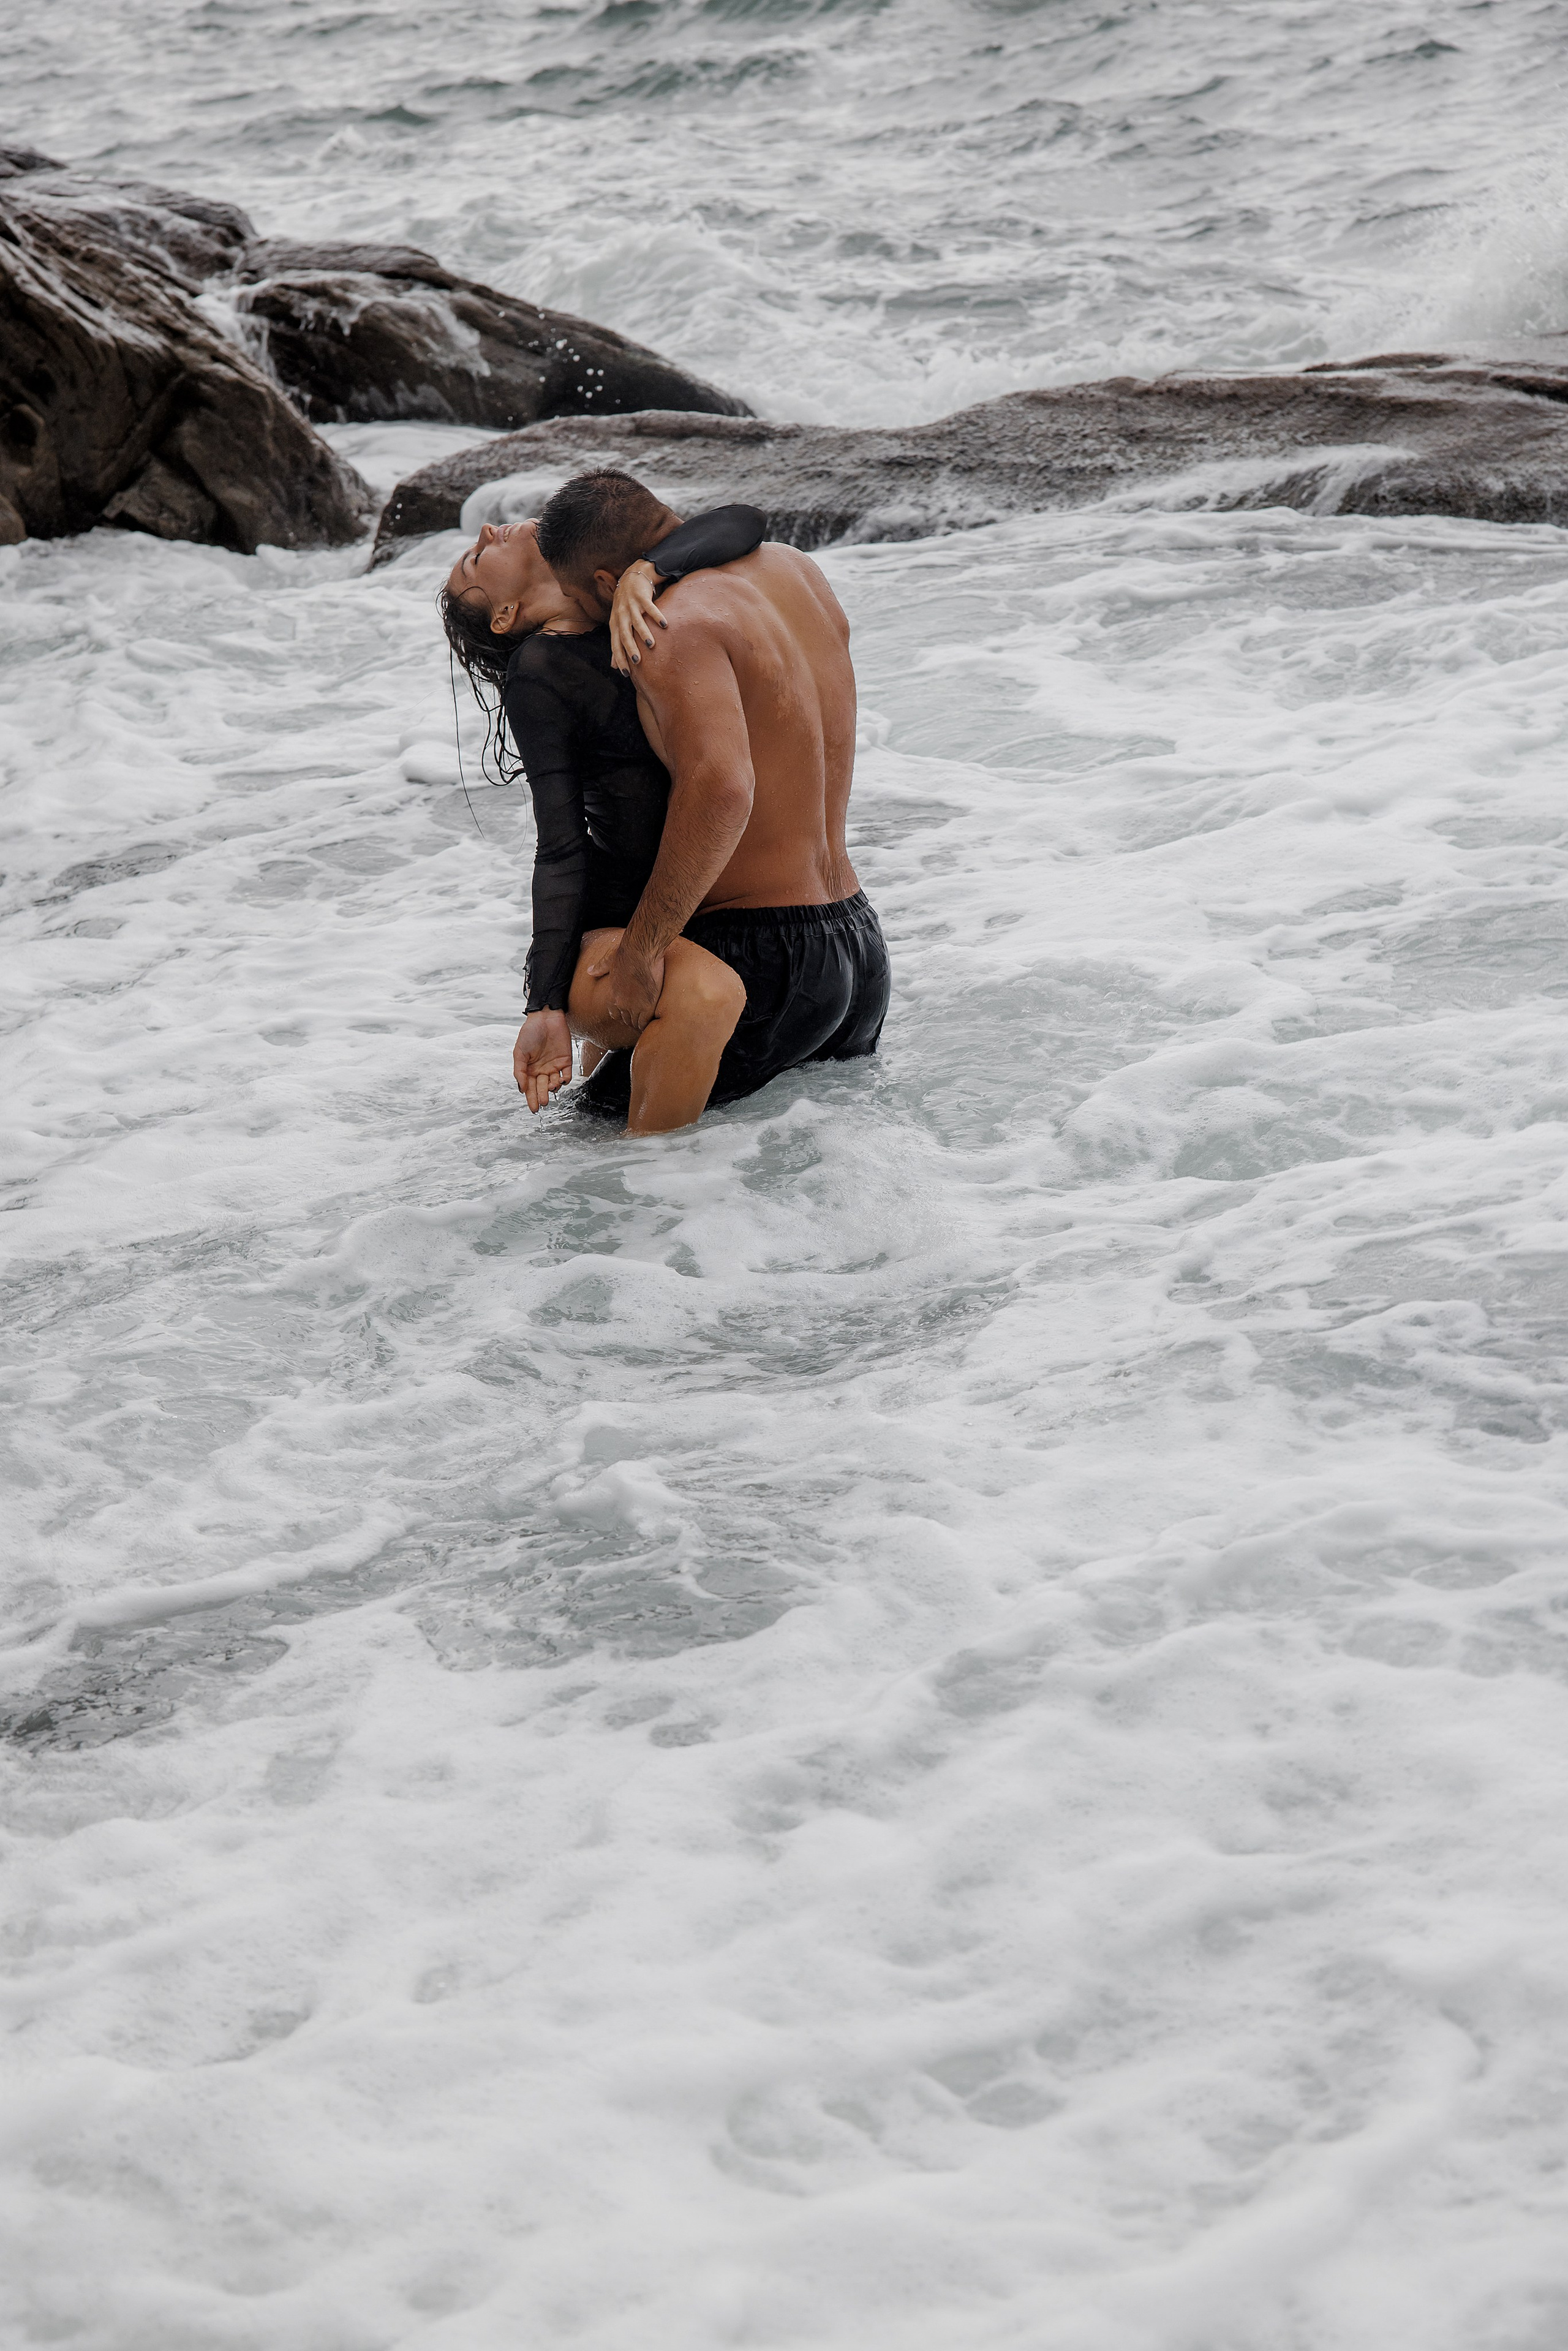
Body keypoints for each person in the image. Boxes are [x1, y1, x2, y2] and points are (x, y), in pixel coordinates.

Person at [533, 469, 891, 1120]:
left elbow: (724, 790)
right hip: (858, 948)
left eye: (579, 600)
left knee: (599, 1159)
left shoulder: (660, 623)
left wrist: (643, 950)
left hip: (759, 959)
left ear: (608, 584)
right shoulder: (796, 571)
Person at [439, 504, 764, 1132]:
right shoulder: (541, 671)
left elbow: (743, 521)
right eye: (475, 561)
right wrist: (544, 1003)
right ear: (506, 615)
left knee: (613, 1102)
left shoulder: (628, 589)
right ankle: (636, 1182)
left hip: (698, 906)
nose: (485, 532)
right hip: (619, 922)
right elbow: (562, 847)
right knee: (690, 1017)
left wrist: (647, 571)